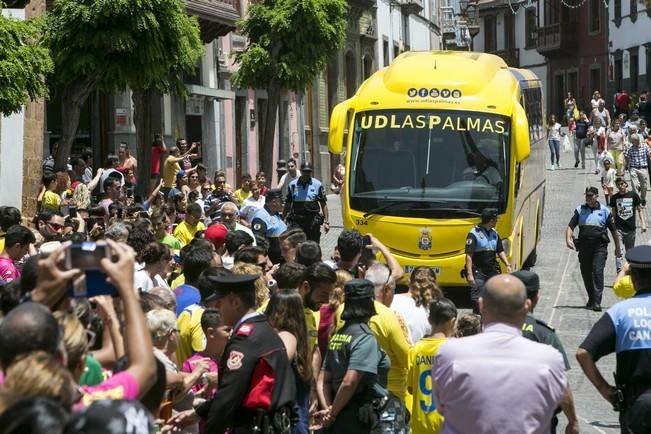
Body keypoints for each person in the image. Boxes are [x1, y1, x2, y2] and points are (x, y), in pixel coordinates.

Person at [432, 274, 567, 434]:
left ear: (481, 305)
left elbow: (441, 406)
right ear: (528, 305)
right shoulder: (549, 359)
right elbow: (555, 404)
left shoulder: (449, 354)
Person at [166, 274, 297, 434]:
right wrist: (199, 413)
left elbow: (229, 396)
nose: (216, 309)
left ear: (236, 302)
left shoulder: (245, 339)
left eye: (219, 303)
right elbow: (241, 389)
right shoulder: (263, 329)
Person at [576, 245, 651, 434]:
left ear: (632, 280)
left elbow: (583, 353)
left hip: (636, 406)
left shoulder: (620, 312)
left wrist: (606, 391)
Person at [317, 279, 390, 433]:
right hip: (359, 416)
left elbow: (323, 380)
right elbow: (350, 382)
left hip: (338, 414)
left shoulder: (338, 334)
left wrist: (329, 411)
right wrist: (332, 413)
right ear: (370, 303)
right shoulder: (365, 338)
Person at [513, 270, 579, 434]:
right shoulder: (544, 333)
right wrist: (573, 421)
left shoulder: (488, 331)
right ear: (536, 299)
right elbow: (560, 385)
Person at [566, 186, 622, 311]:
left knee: (597, 272)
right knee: (586, 273)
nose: (588, 197)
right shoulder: (580, 210)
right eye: (587, 195)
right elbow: (571, 226)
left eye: (591, 195)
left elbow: (613, 231)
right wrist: (568, 239)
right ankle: (591, 298)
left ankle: (597, 301)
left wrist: (618, 248)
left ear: (597, 196)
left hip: (599, 247)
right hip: (584, 247)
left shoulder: (604, 210)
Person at [265, 289, 313, 434]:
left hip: (290, 420)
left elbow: (279, 364)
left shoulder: (286, 337)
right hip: (296, 419)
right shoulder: (298, 337)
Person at [407, 298, 457, 434]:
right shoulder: (454, 350)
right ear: (452, 321)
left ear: (429, 321)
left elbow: (411, 388)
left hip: (420, 424)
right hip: (446, 424)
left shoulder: (416, 349)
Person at [464, 208, 512, 314]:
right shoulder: (473, 234)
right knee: (477, 298)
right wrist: (470, 274)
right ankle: (478, 318)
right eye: (495, 219)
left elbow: (500, 251)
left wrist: (507, 264)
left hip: (492, 271)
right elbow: (469, 256)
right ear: (491, 220)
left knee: (494, 296)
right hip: (479, 272)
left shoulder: (494, 233)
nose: (496, 221)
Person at [284, 163, 330, 243]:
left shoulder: (317, 184)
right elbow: (288, 203)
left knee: (312, 245)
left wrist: (326, 222)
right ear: (301, 171)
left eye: (308, 171)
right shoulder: (292, 185)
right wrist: (283, 218)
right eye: (304, 171)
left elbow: (323, 204)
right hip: (297, 222)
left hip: (312, 222)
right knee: (297, 245)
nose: (306, 173)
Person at [610, 177, 646, 273]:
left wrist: (643, 224)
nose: (620, 186)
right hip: (618, 229)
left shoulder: (633, 195)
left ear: (626, 184)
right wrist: (612, 224)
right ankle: (619, 272)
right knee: (619, 250)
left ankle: (630, 272)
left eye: (622, 184)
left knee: (629, 253)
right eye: (618, 185)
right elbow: (613, 212)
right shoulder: (614, 198)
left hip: (630, 229)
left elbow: (639, 210)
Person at [252, 189, 288, 264]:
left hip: (281, 257)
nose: (282, 204)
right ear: (273, 202)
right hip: (272, 260)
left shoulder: (275, 213)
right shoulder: (260, 217)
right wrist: (267, 260)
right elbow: (259, 242)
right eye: (281, 202)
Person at [625, 133, 651, 206]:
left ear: (638, 140)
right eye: (632, 141)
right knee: (635, 185)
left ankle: (643, 198)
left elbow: (649, 154)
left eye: (634, 141)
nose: (633, 143)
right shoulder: (630, 148)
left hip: (643, 169)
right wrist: (628, 165)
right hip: (634, 168)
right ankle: (637, 200)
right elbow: (626, 156)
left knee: (644, 186)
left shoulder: (645, 146)